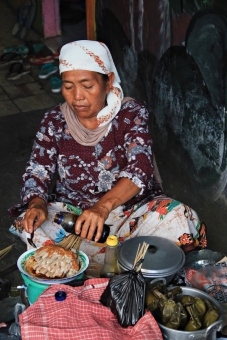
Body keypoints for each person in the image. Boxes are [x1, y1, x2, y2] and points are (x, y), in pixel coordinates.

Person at [8, 40, 207, 264]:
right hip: (76, 220)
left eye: (87, 85)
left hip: (130, 214)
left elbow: (140, 169)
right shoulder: (54, 121)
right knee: (31, 225)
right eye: (68, 86)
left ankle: (90, 263)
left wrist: (102, 207)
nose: (77, 97)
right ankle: (120, 262)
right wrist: (37, 203)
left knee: (181, 217)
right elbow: (37, 171)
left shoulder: (131, 114)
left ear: (108, 81)